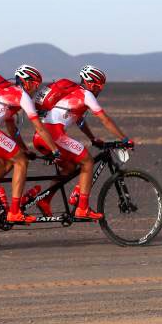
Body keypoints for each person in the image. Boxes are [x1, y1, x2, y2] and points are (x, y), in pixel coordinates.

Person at [32, 65, 133, 220]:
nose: (100, 91)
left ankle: (45, 200)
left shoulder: (74, 94)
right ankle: (82, 208)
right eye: (99, 87)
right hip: (54, 135)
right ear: (92, 84)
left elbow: (79, 121)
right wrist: (124, 139)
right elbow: (104, 119)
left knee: (69, 168)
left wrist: (92, 139)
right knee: (87, 162)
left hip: (40, 137)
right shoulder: (86, 95)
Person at [0, 65, 60, 223]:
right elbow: (39, 127)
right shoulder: (21, 95)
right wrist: (55, 150)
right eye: (36, 85)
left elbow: (12, 129)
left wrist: (24, 149)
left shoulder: (5, 93)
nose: (36, 90)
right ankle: (15, 211)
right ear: (27, 82)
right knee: (21, 162)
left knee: (8, 162)